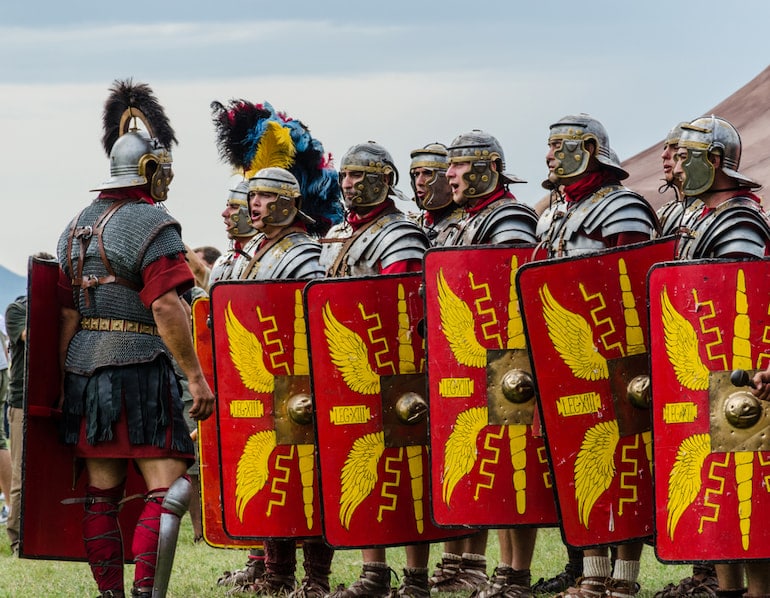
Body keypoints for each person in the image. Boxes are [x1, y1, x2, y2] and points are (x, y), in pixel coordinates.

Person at [55, 80, 215, 598]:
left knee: (103, 494)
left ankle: (111, 596)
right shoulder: (153, 222)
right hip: (141, 368)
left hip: (85, 375)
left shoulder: (74, 226)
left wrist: (65, 381)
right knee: (168, 487)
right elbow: (168, 305)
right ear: (148, 170)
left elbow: (65, 314)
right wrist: (195, 376)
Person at [536, 114, 659, 598]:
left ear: (588, 148)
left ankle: (623, 580)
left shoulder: (623, 208)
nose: (548, 155)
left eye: (558, 145)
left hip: (622, 357)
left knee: (626, 462)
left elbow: (637, 283)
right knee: (580, 459)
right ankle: (591, 572)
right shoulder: (553, 214)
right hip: (569, 360)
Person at [427, 130, 540, 598]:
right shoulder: (465, 221)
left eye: (457, 166)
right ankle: (501, 571)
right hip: (477, 359)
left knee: (514, 465)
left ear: (487, 168)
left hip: (510, 356)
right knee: (490, 465)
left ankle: (516, 572)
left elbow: (508, 284)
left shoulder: (510, 217)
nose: (448, 174)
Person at [320, 141, 430, 598]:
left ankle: (417, 577)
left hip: (399, 367)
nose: (348, 184)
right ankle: (373, 572)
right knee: (362, 463)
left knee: (407, 470)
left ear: (384, 179)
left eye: (359, 176)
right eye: (344, 176)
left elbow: (403, 301)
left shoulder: (399, 234)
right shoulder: (340, 235)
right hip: (355, 371)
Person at [671, 115, 770, 598]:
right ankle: (726, 590)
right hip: (707, 370)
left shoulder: (739, 219)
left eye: (687, 158)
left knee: (745, 482)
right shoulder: (703, 218)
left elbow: (742, 300)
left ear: (714, 162)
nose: (676, 167)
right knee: (720, 483)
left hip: (745, 375)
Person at [652, 122, 718, 598]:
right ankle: (708, 574)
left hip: (722, 363)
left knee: (721, 466)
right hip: (688, 361)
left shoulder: (734, 219)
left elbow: (734, 291)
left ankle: (718, 574)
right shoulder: (692, 216)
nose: (669, 160)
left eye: (680, 154)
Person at [4, 289, 34, 555]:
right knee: (21, 476)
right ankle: (18, 541)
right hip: (22, 400)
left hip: (53, 397)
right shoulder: (17, 309)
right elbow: (30, 337)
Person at [408, 143, 464, 246]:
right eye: (416, 174)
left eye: (427, 173)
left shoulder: (466, 223)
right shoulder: (413, 225)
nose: (419, 182)